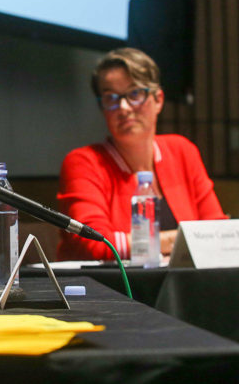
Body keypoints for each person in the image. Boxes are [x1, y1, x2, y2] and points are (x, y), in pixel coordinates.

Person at [57, 48, 226, 261]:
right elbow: (94, 244)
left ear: (159, 100)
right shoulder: (83, 162)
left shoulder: (182, 151)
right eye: (111, 97)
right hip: (112, 289)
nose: (124, 107)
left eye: (135, 93)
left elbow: (218, 233)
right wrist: (179, 241)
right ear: (102, 108)